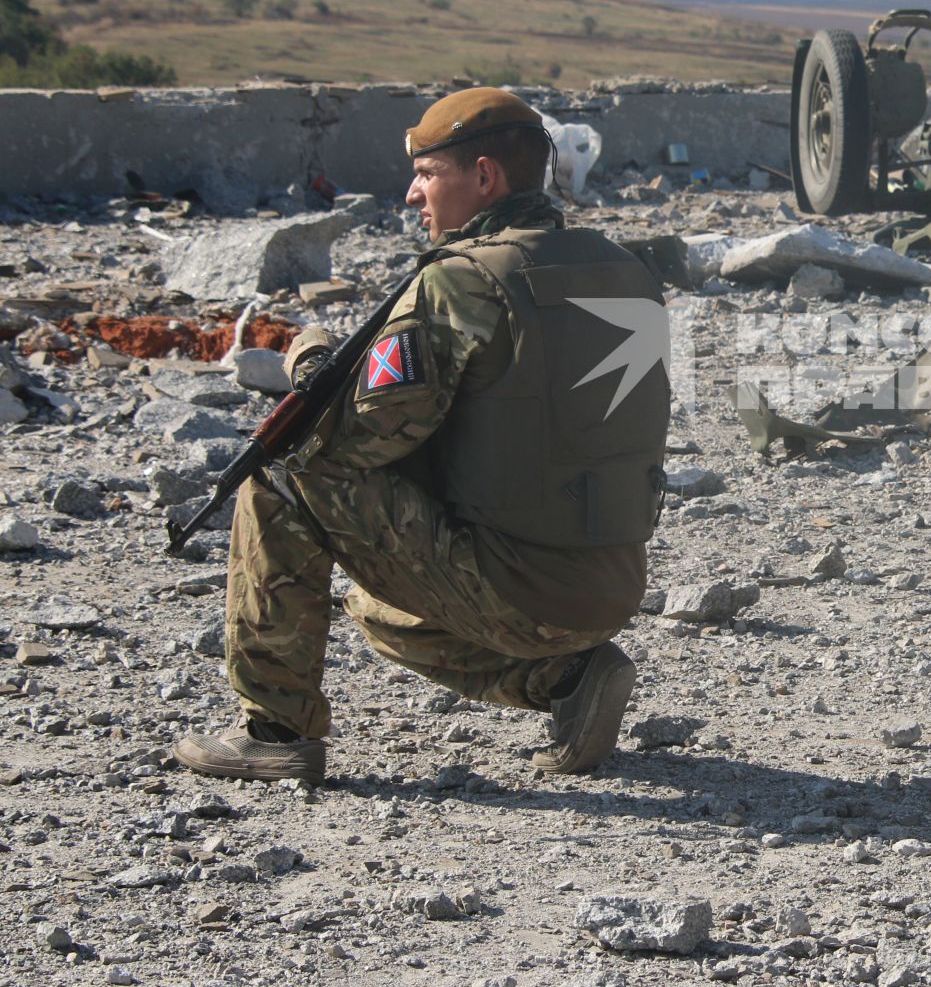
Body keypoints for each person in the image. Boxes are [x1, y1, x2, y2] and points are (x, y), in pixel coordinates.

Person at [174, 88, 671, 783]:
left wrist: (314, 366)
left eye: (428, 174)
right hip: (611, 580)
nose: (413, 195)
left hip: (520, 589)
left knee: (283, 471)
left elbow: (344, 448)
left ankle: (274, 729)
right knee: (375, 611)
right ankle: (566, 678)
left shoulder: (464, 283)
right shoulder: (628, 269)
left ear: (485, 177)